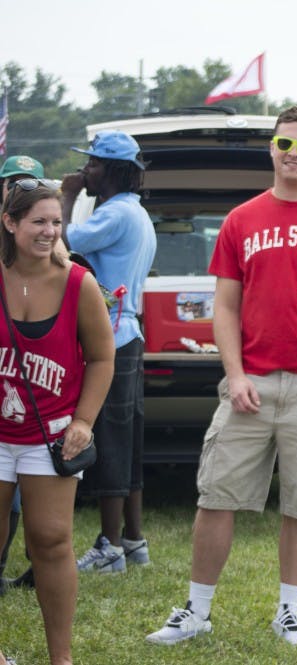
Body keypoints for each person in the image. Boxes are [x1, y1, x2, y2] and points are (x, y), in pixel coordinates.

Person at [145, 106, 297, 647]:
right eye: (285, 145)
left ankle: (289, 611)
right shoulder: (242, 219)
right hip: (251, 383)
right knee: (215, 496)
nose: (294, 155)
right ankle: (196, 610)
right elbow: (223, 307)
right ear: (271, 149)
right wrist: (235, 373)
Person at [0, 179, 116, 665]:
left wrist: (84, 420)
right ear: (10, 223)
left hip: (49, 436)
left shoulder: (78, 282)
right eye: (38, 222)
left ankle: (60, 658)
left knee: (50, 540)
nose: (49, 231)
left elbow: (103, 357)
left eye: (56, 222)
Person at [59, 131, 157, 574]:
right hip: (129, 334)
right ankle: (134, 540)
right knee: (128, 438)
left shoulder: (115, 215)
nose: (86, 172)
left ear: (115, 170)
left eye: (94, 164)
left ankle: (109, 546)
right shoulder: (136, 213)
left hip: (110, 338)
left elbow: (59, 243)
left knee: (113, 442)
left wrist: (65, 195)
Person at [0, 155, 47, 595]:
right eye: (12, 182)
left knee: (24, 493)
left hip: (34, 389)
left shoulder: (51, 253)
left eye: (28, 183)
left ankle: (33, 561)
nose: (19, 188)